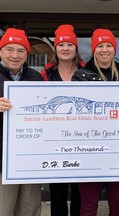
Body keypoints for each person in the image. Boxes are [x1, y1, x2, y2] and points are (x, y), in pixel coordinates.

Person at [72, 28, 119, 216]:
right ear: (93, 50)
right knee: (89, 206)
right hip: (89, 149)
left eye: (109, 45)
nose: (104, 50)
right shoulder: (80, 77)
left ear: (114, 50)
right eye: (100, 46)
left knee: (118, 205)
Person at [41, 24, 84, 216]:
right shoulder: (45, 74)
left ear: (76, 48)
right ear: (55, 49)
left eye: (69, 44)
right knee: (57, 192)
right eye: (61, 45)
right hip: (54, 141)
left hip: (83, 139)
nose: (65, 48)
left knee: (79, 192)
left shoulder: (87, 72)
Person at [0, 28, 43, 215]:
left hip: (29, 159)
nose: (15, 55)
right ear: (1, 51)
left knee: (30, 208)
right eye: (10, 49)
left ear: (27, 53)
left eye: (20, 50)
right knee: (3, 208)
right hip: (2, 161)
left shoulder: (35, 77)